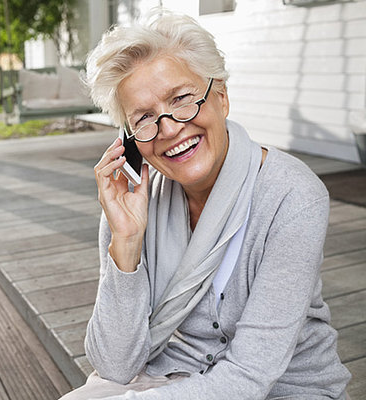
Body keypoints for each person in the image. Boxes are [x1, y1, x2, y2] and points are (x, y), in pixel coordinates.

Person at [59, 9, 351, 400]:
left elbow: (249, 376)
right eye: (144, 118)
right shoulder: (129, 203)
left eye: (181, 99)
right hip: (173, 375)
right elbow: (114, 365)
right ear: (128, 138)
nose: (169, 128)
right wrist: (125, 243)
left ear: (222, 97)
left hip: (285, 388)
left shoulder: (293, 196)